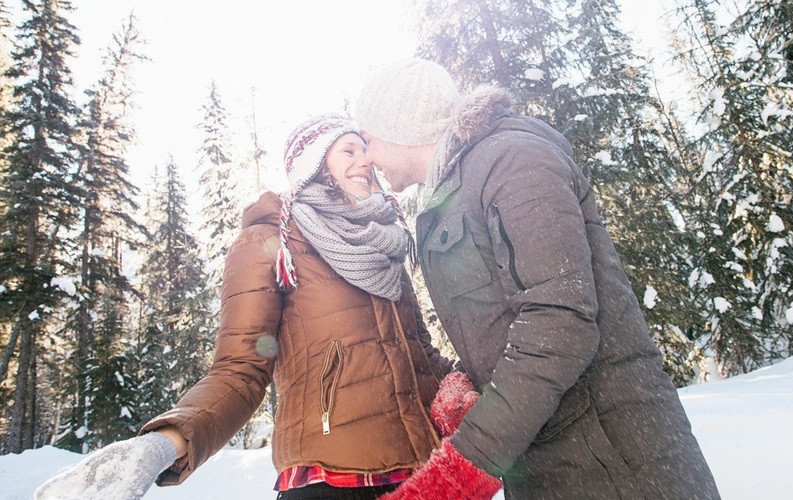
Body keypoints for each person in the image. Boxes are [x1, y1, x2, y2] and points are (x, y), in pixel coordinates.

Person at [33, 113, 468, 500]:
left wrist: (481, 385)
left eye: (366, 150)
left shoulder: (386, 242)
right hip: (329, 482)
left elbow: (417, 353)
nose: (366, 161)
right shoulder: (270, 242)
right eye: (348, 150)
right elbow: (240, 370)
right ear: (313, 163)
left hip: (422, 475)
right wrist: (165, 442)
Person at [352, 59, 722, 499]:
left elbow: (560, 321)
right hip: (548, 462)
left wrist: (464, 466)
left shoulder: (511, 160)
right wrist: (471, 386)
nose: (368, 157)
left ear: (402, 125)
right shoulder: (450, 192)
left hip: (615, 460)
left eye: (369, 140)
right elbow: (508, 320)